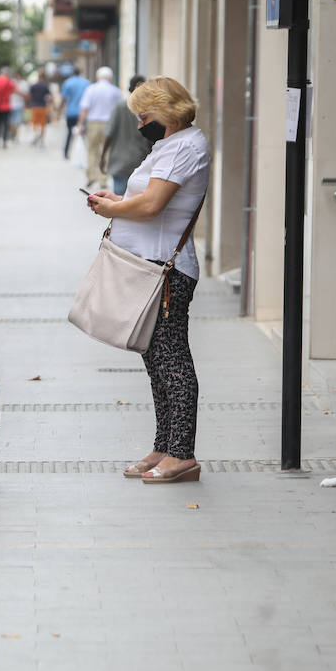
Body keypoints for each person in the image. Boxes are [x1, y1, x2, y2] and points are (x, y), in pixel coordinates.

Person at [86, 76, 210, 485]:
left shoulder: (188, 146)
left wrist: (112, 212)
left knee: (172, 359)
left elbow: (155, 205)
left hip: (165, 271)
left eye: (145, 115)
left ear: (167, 111)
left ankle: (182, 454)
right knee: (155, 360)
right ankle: (164, 445)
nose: (141, 124)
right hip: (144, 266)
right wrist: (117, 200)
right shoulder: (167, 145)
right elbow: (144, 197)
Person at [100, 75, 151, 195]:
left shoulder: (120, 107)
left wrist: (103, 157)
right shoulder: (147, 110)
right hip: (140, 161)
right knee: (136, 202)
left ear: (129, 89)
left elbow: (109, 134)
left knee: (119, 202)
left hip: (120, 162)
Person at [76, 67, 125, 190]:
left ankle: (92, 176)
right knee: (107, 151)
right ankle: (103, 179)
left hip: (93, 123)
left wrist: (80, 125)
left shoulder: (91, 89)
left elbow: (84, 109)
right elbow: (121, 108)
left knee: (92, 150)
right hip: (109, 123)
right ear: (110, 77)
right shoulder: (115, 91)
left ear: (98, 77)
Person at [60, 66, 91, 161]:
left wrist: (61, 108)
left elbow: (64, 98)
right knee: (83, 133)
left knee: (70, 133)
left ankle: (66, 153)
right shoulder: (86, 83)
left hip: (71, 112)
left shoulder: (68, 82)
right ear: (80, 72)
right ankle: (85, 154)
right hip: (82, 113)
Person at [26, 74, 54, 147]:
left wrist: (28, 104)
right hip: (43, 107)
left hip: (34, 107)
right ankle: (41, 139)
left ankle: (36, 136)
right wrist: (50, 105)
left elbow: (29, 95)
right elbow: (50, 96)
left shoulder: (34, 86)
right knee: (43, 124)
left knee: (35, 123)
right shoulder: (45, 86)